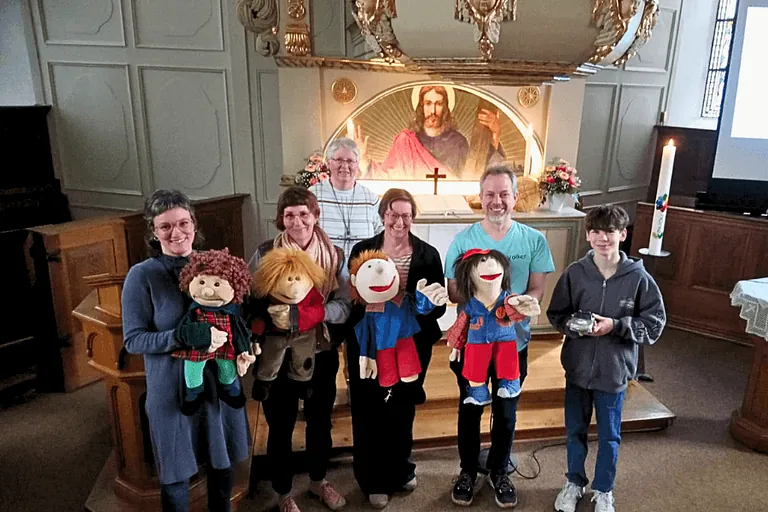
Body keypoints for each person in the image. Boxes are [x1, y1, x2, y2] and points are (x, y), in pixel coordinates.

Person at [122, 190, 250, 512]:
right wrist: (181, 337)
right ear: (153, 231)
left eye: (183, 223)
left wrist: (243, 344)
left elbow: (235, 318)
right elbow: (134, 340)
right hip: (170, 389)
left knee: (222, 468)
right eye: (165, 226)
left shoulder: (215, 266)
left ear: (194, 224)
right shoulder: (142, 275)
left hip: (217, 384)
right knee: (176, 477)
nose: (176, 233)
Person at [443, 165, 555, 508]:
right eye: (489, 194)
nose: (496, 201)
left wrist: (519, 303)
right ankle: (467, 470)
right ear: (481, 197)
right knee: (469, 408)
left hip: (513, 343)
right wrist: (484, 300)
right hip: (473, 344)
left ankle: (500, 470)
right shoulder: (464, 240)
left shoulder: (533, 240)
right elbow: (452, 290)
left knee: (507, 412)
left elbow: (537, 287)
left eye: (504, 194)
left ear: (515, 198)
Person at [547, 205, 666, 512]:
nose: (603, 238)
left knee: (610, 436)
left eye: (610, 232)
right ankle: (574, 482)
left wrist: (616, 325)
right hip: (577, 369)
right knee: (574, 430)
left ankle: (603, 490)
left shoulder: (638, 278)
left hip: (614, 373)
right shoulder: (575, 273)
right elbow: (556, 314)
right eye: (596, 232)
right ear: (588, 235)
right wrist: (573, 326)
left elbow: (654, 323)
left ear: (622, 234)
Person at [247, 186, 350, 512]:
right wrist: (269, 320)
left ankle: (319, 481)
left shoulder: (334, 255)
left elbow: (345, 305)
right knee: (281, 424)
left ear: (315, 215)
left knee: (320, 421)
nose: (297, 221)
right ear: (281, 219)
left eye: (304, 214)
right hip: (278, 356)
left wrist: (315, 313)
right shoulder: (265, 254)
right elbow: (249, 301)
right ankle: (283, 492)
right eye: (289, 215)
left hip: (320, 351)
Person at [346, 188, 447, 508]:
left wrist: (425, 302)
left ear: (413, 218)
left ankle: (401, 469)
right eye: (393, 214)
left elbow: (440, 306)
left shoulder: (428, 254)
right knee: (369, 411)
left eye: (405, 215)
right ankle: (373, 479)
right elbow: (352, 298)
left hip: (411, 343)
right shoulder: (364, 250)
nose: (399, 221)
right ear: (382, 216)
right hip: (371, 343)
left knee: (402, 410)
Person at [355, 85, 504, 180]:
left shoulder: (458, 142)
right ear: (420, 106)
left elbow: (477, 176)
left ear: (446, 107)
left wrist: (495, 136)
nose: (432, 111)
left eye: (438, 104)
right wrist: (363, 160)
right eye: (428, 104)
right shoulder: (405, 142)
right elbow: (386, 180)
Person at [309, 138, 383, 262]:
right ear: (328, 162)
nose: (345, 166)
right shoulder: (313, 196)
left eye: (350, 161)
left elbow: (382, 236)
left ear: (357, 164)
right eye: (339, 160)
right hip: (324, 269)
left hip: (362, 270)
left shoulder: (370, 199)